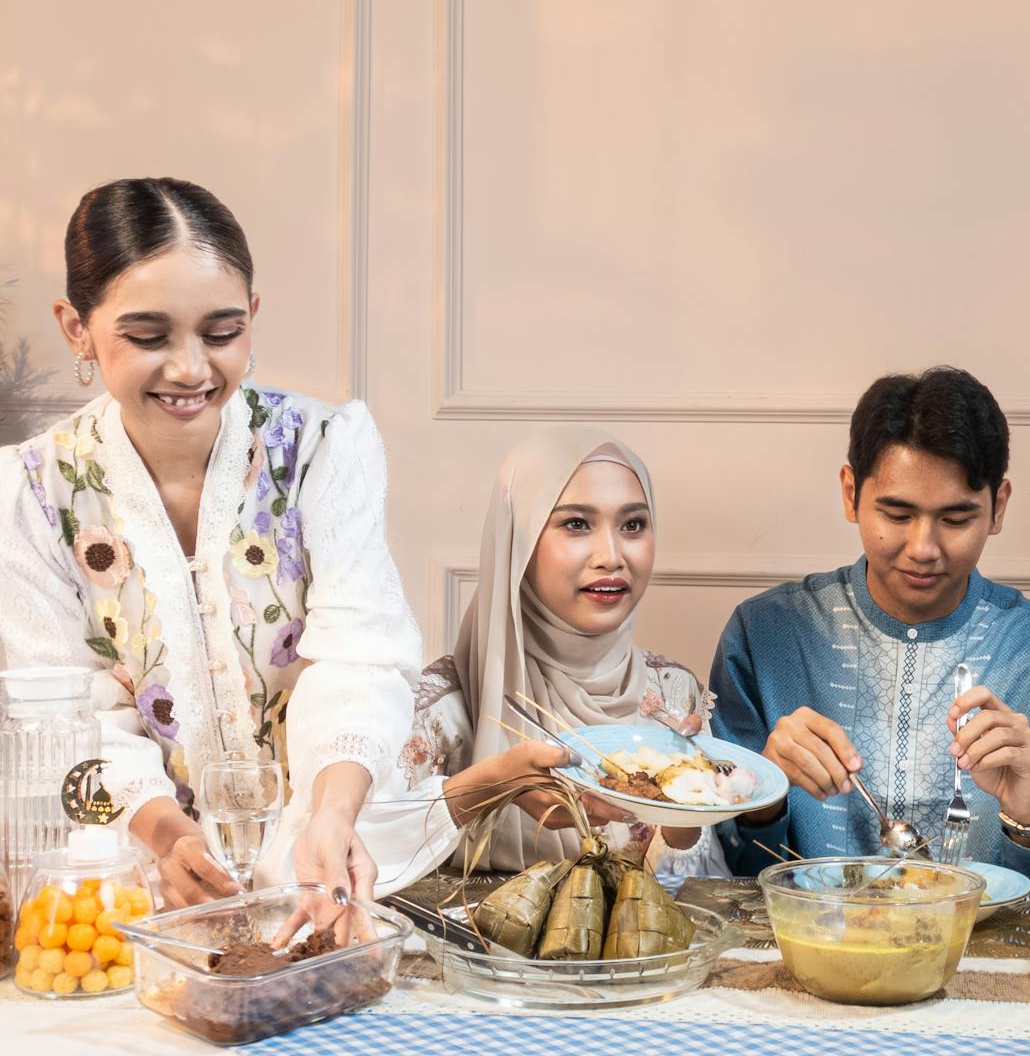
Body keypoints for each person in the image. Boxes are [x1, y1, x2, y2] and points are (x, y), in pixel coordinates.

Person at [0, 177, 422, 907]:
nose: (192, 368)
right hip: (131, 856)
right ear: (77, 326)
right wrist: (166, 836)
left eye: (222, 333)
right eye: (148, 335)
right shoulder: (30, 492)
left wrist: (329, 814)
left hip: (334, 834)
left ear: (252, 316)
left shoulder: (323, 447)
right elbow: (70, 715)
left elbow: (358, 654)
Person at [709, 367, 1030, 885]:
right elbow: (724, 871)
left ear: (998, 507)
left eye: (955, 519)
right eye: (897, 515)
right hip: (810, 950)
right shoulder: (763, 636)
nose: (923, 548)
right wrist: (761, 794)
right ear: (851, 494)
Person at [379, 427, 727, 885]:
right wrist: (494, 783)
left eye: (633, 525)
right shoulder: (438, 710)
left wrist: (687, 808)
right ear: (517, 542)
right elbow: (360, 855)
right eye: (577, 524)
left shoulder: (672, 695)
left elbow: (698, 892)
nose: (612, 556)